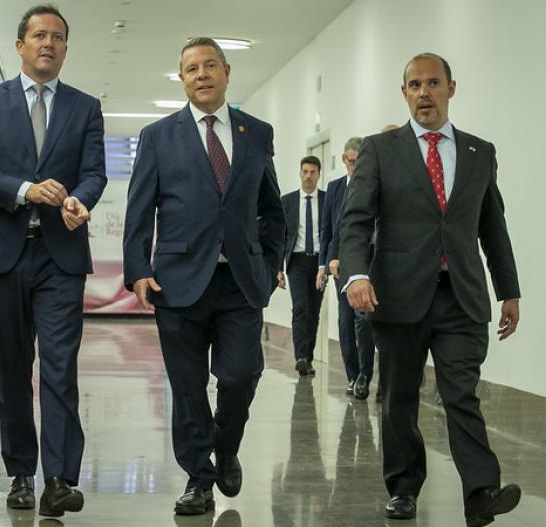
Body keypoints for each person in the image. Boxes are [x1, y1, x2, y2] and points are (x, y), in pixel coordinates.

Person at [339, 53, 522, 526]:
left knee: (461, 393)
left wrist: (509, 290)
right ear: (404, 93)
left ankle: (481, 491)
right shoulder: (382, 149)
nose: (424, 92)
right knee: (399, 395)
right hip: (397, 296)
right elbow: (356, 220)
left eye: (433, 83)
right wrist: (357, 275)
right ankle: (403, 488)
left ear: (451, 88)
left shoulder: (480, 152)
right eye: (414, 85)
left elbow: (492, 227)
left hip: (460, 295)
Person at [123, 37, 285, 516]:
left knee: (241, 374)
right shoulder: (158, 136)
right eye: (191, 68)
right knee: (188, 386)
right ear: (182, 79)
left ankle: (226, 442)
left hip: (240, 281)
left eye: (210, 65)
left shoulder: (256, 132)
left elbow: (271, 209)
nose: (201, 75)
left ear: (227, 72)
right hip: (177, 281)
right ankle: (199, 478)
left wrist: (270, 261)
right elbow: (139, 210)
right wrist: (138, 270)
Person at [0, 3, 106, 518]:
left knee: (60, 368)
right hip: (3, 251)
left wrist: (77, 200)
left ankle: (60, 479)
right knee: (14, 369)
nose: (49, 43)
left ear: (66, 48)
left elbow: (94, 172)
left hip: (60, 255)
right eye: (39, 35)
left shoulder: (85, 107)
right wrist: (25, 190)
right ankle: (21, 471)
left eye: (58, 37)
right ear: (19, 45)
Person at [317, 137, 377, 398]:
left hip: (371, 260)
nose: (355, 167)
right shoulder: (335, 188)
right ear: (344, 160)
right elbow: (329, 229)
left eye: (359, 162)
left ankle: (365, 374)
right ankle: (352, 375)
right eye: (351, 162)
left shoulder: (375, 185)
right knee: (345, 322)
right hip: (341, 263)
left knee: (364, 321)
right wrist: (326, 262)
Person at [277, 156, 325, 377]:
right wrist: (278, 267)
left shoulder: (327, 200)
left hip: (319, 263)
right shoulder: (287, 201)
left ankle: (309, 358)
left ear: (318, 174)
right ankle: (301, 357)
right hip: (296, 261)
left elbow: (332, 232)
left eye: (312, 172)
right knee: (300, 308)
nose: (308, 176)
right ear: (300, 173)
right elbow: (280, 236)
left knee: (313, 312)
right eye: (304, 171)